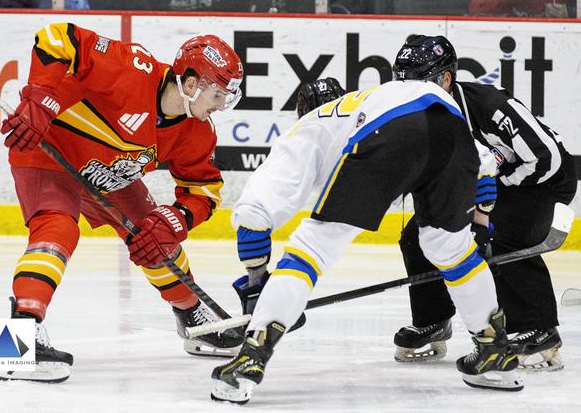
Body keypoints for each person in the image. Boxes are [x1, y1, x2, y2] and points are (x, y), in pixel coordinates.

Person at [211, 76, 524, 404]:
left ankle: (250, 358)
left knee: (311, 248)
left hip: (390, 131)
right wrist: (481, 223)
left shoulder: (308, 128)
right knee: (450, 248)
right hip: (451, 123)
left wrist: (257, 282)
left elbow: (253, 215)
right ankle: (495, 352)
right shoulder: (369, 102)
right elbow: (484, 164)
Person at [0, 23, 244, 382]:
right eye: (217, 95)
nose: (220, 106)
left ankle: (193, 320)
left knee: (155, 236)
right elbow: (57, 38)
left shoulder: (197, 131)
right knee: (58, 230)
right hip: (49, 151)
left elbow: (203, 190)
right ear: (191, 85)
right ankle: (14, 345)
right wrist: (40, 100)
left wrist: (174, 220)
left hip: (110, 173)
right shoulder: (131, 69)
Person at [390, 35, 577, 371]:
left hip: (542, 180)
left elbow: (547, 156)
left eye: (418, 83)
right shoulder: (414, 117)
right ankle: (434, 320)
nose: (408, 92)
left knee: (501, 234)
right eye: (402, 83)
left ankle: (540, 328)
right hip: (483, 181)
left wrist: (495, 193)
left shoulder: (489, 105)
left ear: (446, 79)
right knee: (417, 235)